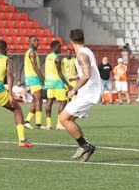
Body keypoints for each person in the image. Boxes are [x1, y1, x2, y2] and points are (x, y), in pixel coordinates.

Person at [58, 29, 100, 162]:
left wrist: (74, 89)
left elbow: (87, 75)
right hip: (88, 92)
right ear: (84, 40)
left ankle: (85, 146)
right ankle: (86, 145)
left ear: (71, 41)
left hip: (88, 93)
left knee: (63, 119)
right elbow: (88, 70)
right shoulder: (87, 51)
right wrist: (77, 76)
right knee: (69, 119)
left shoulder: (81, 55)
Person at [43, 40, 72, 130]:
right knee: (63, 102)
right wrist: (68, 85)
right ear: (53, 47)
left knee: (49, 102)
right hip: (58, 83)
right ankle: (59, 124)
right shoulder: (57, 58)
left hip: (49, 83)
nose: (60, 48)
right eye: (59, 47)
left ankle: (48, 125)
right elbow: (59, 73)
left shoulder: (48, 57)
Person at [23, 35, 45, 129]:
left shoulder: (33, 52)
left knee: (36, 101)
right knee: (39, 100)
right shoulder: (32, 53)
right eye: (34, 41)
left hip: (33, 78)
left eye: (37, 40)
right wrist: (43, 78)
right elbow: (35, 67)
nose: (37, 42)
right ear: (29, 42)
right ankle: (38, 124)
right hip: (34, 78)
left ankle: (27, 121)